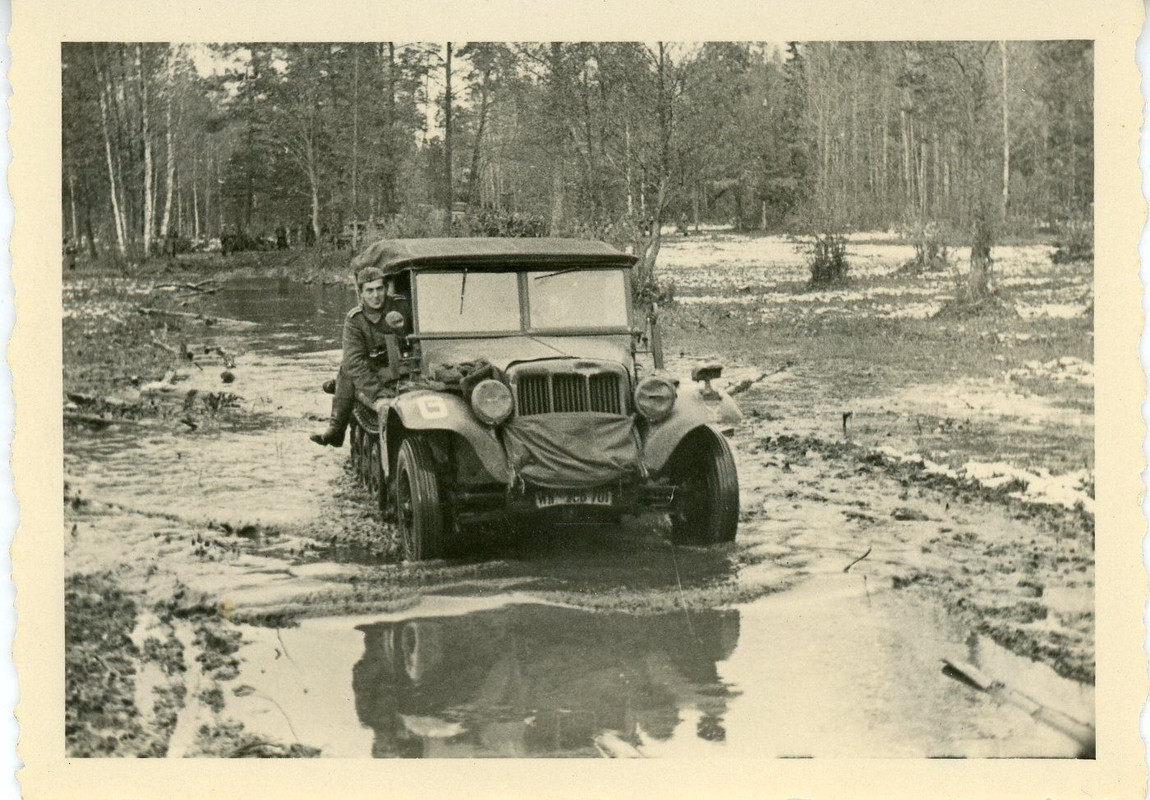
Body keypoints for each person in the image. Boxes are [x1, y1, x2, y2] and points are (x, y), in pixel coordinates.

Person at [310, 267, 412, 447]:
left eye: (379, 289)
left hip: (404, 367)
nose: (376, 296)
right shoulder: (355, 320)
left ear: (386, 288)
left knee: (346, 372)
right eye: (369, 291)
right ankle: (336, 427)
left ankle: (335, 418)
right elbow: (355, 363)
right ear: (361, 293)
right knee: (347, 369)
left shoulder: (402, 306)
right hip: (373, 370)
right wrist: (377, 393)